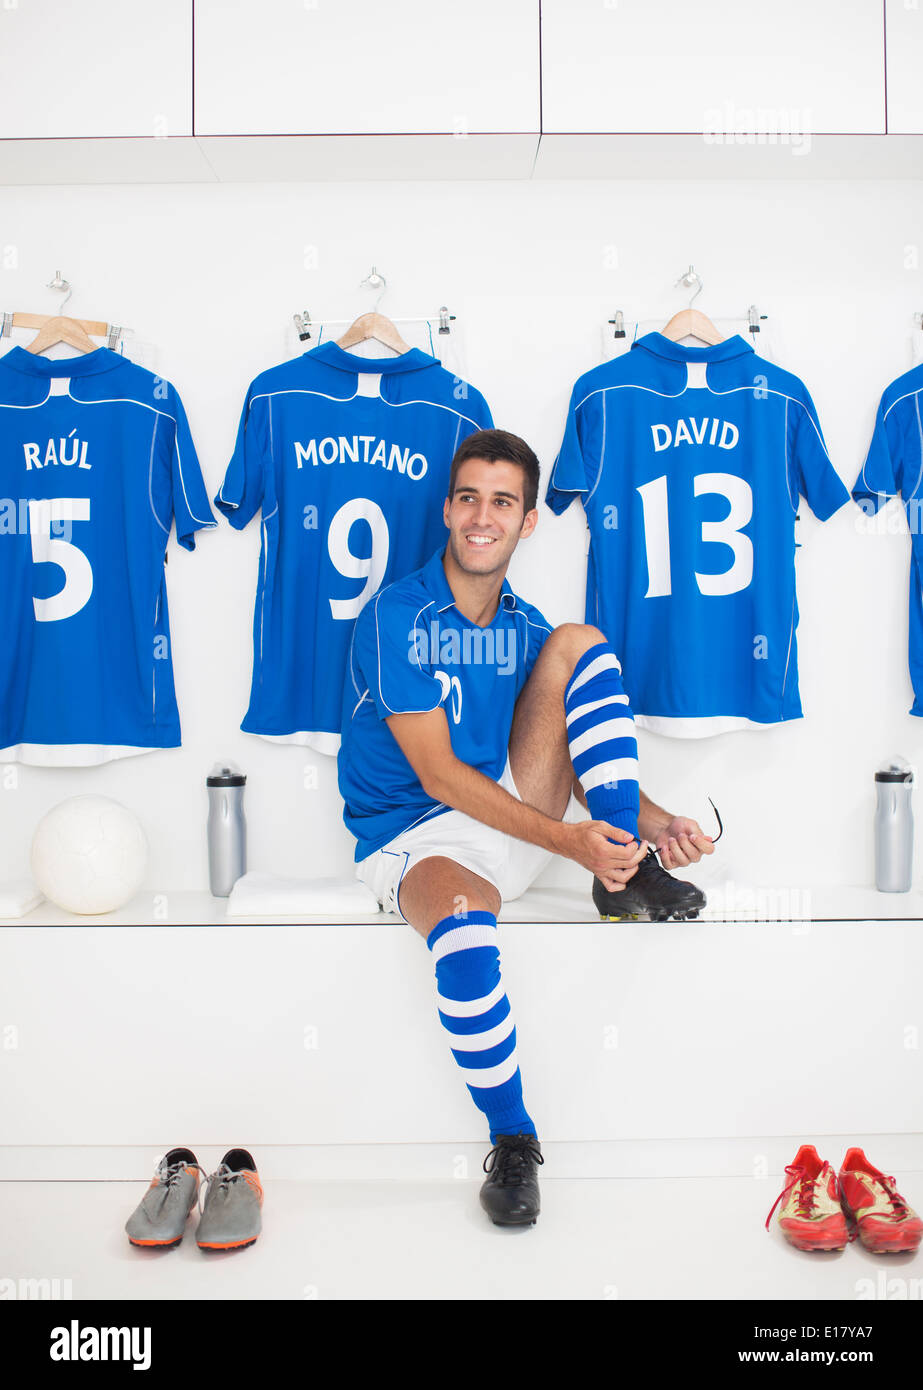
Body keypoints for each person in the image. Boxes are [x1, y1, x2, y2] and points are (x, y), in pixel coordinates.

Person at [337, 429, 716, 1226]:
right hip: (419, 838)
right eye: (468, 497)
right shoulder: (396, 614)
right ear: (446, 509)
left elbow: (572, 753)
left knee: (579, 643)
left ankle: (624, 871)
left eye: (502, 501)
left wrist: (657, 820)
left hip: (511, 819)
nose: (483, 516)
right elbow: (439, 777)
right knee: (467, 933)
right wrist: (568, 841)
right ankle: (513, 1139)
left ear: (527, 520)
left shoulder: (522, 620)